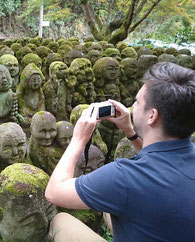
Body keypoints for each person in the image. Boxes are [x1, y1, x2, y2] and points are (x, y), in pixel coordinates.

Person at [45, 62, 195, 241]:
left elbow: (53, 192)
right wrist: (130, 131)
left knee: (61, 220)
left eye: (138, 102)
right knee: (110, 205)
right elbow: (156, 159)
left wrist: (78, 139)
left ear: (152, 116)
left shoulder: (123, 177)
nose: (133, 106)